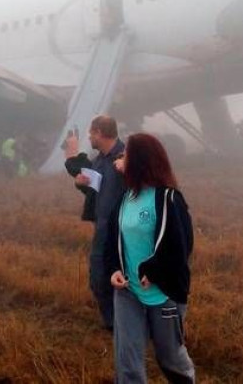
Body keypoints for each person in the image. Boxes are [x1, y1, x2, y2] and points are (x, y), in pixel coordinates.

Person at [107, 133, 195, 383]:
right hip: (127, 292)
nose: (120, 158)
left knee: (171, 359)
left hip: (163, 293)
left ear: (139, 160)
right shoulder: (125, 198)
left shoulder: (168, 199)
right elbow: (114, 240)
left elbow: (180, 247)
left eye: (126, 155)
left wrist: (152, 271)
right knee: (128, 363)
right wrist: (114, 268)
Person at [64, 115, 126, 330]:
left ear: (99, 132)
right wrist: (82, 184)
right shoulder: (100, 160)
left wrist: (129, 167)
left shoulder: (127, 156)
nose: (89, 137)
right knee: (99, 278)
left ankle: (123, 324)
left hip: (121, 231)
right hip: (102, 227)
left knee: (119, 278)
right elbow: (99, 190)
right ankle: (113, 323)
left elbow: (146, 183)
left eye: (91, 133)